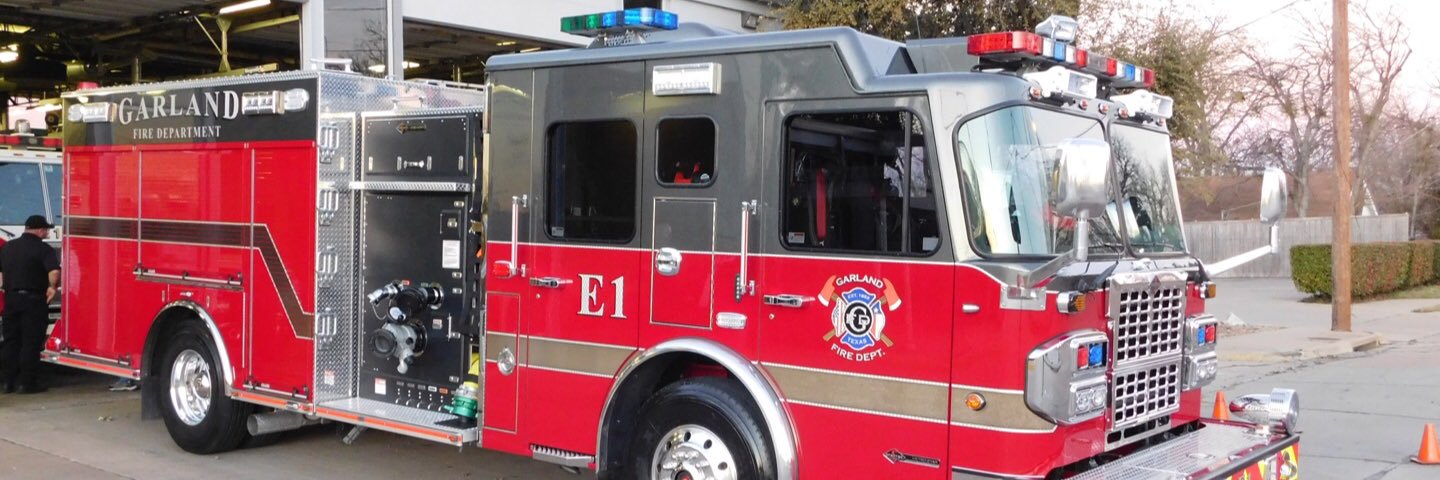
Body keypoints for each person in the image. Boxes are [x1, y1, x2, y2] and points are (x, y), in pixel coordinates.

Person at [0, 215, 60, 394]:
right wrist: (52, 287)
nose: (48, 233)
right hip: (34, 300)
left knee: (11, 341)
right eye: (46, 230)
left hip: (11, 299)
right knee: (31, 342)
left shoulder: (8, 247)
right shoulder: (44, 249)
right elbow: (55, 272)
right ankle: (27, 383)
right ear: (40, 230)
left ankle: (8, 382)